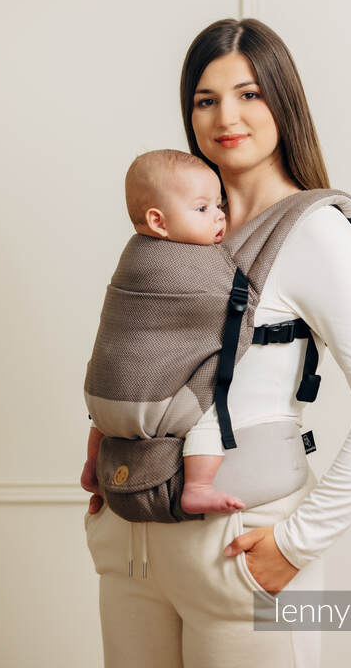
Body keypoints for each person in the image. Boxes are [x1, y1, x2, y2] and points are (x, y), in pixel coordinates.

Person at [81, 18, 351, 668]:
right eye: (205, 100)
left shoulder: (313, 232)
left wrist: (295, 546)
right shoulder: (171, 229)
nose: (225, 117)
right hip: (130, 546)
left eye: (248, 94)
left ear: (282, 101)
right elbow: (138, 359)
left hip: (238, 551)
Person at [87, 146, 246, 515]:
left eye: (219, 205)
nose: (219, 216)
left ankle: (91, 469)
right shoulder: (193, 264)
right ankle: (198, 486)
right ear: (158, 222)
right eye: (202, 208)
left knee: (104, 422)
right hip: (148, 403)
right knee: (214, 407)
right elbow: (233, 306)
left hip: (100, 398)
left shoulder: (132, 256)